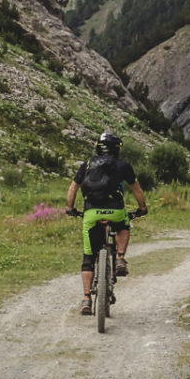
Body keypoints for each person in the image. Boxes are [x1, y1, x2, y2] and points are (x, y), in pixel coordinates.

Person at [65, 132, 147, 315]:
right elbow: (137, 190)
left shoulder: (86, 164)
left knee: (88, 258)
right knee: (124, 225)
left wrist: (70, 208)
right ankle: (119, 257)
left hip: (91, 213)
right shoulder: (123, 165)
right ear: (117, 149)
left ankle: (87, 299)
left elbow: (72, 189)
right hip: (115, 211)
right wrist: (142, 208)